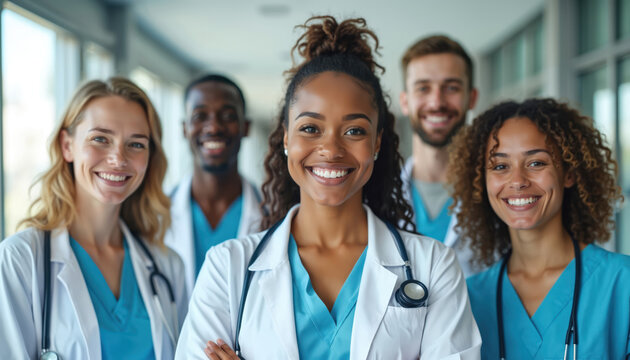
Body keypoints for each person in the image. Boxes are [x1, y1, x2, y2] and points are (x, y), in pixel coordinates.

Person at [176, 16, 481, 360]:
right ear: (286, 139)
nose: (331, 150)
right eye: (310, 128)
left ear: (377, 142)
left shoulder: (434, 266)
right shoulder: (226, 267)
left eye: (354, 131)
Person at [0, 78, 187, 359]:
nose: (118, 159)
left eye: (136, 144)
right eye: (100, 139)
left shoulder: (166, 266)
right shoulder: (20, 260)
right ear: (67, 145)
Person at [448, 98, 629, 359]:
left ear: (569, 173)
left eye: (536, 163)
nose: (518, 181)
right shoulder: (467, 298)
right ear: (481, 182)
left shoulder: (621, 283)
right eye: (500, 166)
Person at [165, 74, 262, 299]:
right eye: (200, 116)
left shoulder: (273, 214)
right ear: (184, 128)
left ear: (245, 127)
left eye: (227, 116)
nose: (214, 127)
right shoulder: (156, 213)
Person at [398, 35, 480, 276]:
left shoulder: (496, 194)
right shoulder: (374, 196)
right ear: (405, 101)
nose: (437, 102)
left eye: (451, 88)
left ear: (471, 98)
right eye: (423, 88)